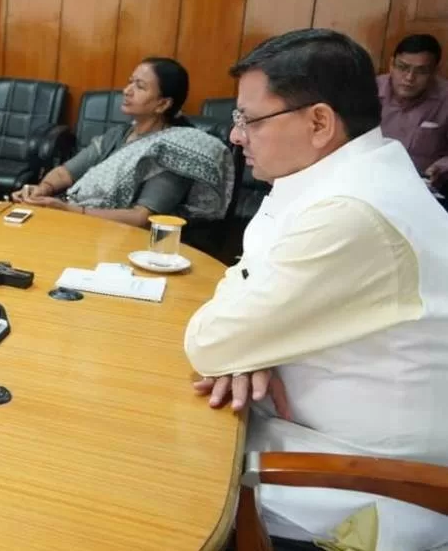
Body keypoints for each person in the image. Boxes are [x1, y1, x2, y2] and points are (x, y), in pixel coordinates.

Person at [183, 29, 448, 551]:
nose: (236, 136)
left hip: (355, 489)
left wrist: (246, 344)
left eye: (250, 119)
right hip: (307, 441)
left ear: (320, 122)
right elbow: (244, 274)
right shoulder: (343, 176)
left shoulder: (353, 210)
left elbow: (210, 341)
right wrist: (254, 346)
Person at [11, 58, 233, 228]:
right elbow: (64, 173)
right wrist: (41, 190)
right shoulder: (119, 134)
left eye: (140, 86)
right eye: (130, 82)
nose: (127, 91)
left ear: (163, 104)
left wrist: (68, 210)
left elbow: (141, 218)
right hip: (76, 218)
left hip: (118, 238)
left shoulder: (174, 151)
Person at [377, 34, 447, 188]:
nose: (409, 78)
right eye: (403, 67)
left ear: (435, 71)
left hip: (423, 186)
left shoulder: (445, 100)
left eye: (421, 71)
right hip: (370, 178)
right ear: (391, 64)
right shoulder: (369, 91)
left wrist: (441, 167)